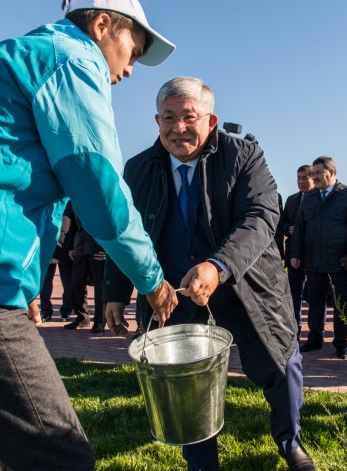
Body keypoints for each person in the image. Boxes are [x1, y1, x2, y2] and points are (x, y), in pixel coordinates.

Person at [0, 1, 178, 469]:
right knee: (60, 455)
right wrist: (153, 281)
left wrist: (21, 287)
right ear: (102, 24)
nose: (129, 69)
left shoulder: (4, 56)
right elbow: (100, 190)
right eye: (134, 49)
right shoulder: (72, 59)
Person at [103, 77, 315, 471]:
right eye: (169, 118)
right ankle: (201, 462)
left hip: (246, 286)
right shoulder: (138, 168)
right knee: (185, 381)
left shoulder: (244, 155)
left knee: (280, 364)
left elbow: (261, 216)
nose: (178, 128)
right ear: (157, 120)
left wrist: (217, 266)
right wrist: (114, 291)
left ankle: (290, 443)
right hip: (174, 295)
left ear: (211, 120)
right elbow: (125, 230)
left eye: (189, 117)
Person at [289, 156, 347, 360]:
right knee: (315, 301)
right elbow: (300, 228)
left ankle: (341, 343)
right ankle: (314, 339)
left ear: (331, 172)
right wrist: (295, 253)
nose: (314, 177)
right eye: (312, 173)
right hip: (313, 259)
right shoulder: (309, 197)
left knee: (341, 304)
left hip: (339, 260)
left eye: (318, 173)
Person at [282, 164, 315, 338]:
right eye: (298, 178)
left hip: (314, 254)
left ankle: (315, 332)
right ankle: (295, 328)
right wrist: (288, 228)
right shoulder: (292, 200)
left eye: (304, 178)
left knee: (315, 295)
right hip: (294, 253)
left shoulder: (319, 198)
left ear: (313, 178)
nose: (301, 182)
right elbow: (283, 222)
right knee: (294, 294)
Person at [64, 213, 107, 332]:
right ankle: (82, 318)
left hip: (99, 250)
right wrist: (71, 247)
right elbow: (72, 224)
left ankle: (100, 320)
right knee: (76, 285)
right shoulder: (76, 202)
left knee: (100, 289)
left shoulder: (104, 201)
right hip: (80, 248)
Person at [40, 200, 77, 321]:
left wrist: (72, 246)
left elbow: (74, 224)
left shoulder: (69, 201)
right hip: (47, 245)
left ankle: (66, 311)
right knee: (44, 284)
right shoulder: (46, 200)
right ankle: (45, 311)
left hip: (65, 247)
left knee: (68, 283)